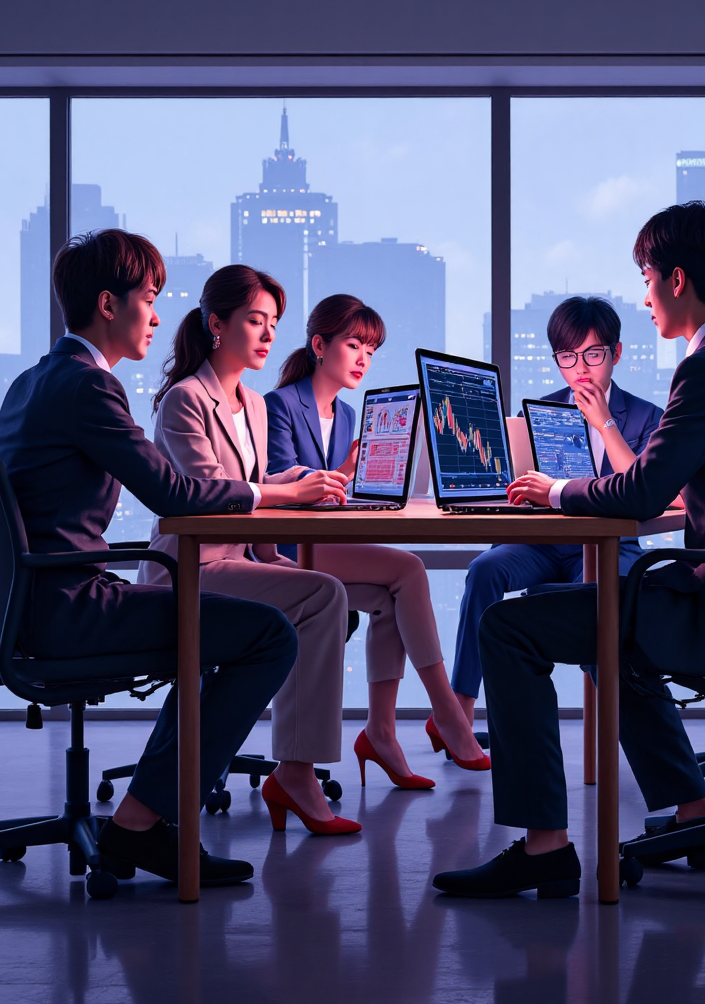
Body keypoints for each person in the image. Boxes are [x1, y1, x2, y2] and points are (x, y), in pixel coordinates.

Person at [432, 201, 705, 899]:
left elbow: (638, 493)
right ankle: (692, 809)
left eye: (646, 276)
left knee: (507, 627)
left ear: (674, 279)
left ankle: (544, 846)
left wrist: (552, 492)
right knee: (606, 619)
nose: (643, 293)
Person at [0, 230, 298, 887]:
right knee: (269, 635)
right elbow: (172, 494)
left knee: (219, 629)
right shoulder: (87, 387)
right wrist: (275, 491)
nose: (159, 317)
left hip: (33, 604)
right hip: (68, 609)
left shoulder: (32, 381)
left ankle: (145, 818)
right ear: (109, 304)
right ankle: (138, 823)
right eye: (150, 299)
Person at [141, 265, 360, 834]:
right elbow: (211, 494)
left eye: (273, 324)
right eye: (255, 321)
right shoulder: (185, 400)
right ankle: (296, 772)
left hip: (235, 564)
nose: (267, 335)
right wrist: (290, 490)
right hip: (188, 568)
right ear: (217, 325)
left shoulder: (256, 405)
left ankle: (294, 769)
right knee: (325, 594)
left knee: (319, 593)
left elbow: (257, 493)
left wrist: (274, 554)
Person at [264, 294, 489, 787]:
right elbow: (276, 479)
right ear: (319, 346)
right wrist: (337, 473)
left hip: (326, 546)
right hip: (285, 548)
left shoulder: (349, 415)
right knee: (408, 569)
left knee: (391, 598)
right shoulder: (280, 405)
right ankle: (448, 713)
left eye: (372, 349)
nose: (364, 359)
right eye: (354, 345)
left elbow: (341, 491)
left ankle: (380, 733)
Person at [446, 296, 663, 732]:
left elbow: (643, 489)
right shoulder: (538, 413)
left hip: (610, 547)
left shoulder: (646, 417)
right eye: (567, 356)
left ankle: (639, 730)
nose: (580, 367)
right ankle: (459, 712)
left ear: (616, 353)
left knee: (610, 605)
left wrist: (605, 422)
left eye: (593, 354)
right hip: (543, 546)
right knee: (484, 569)